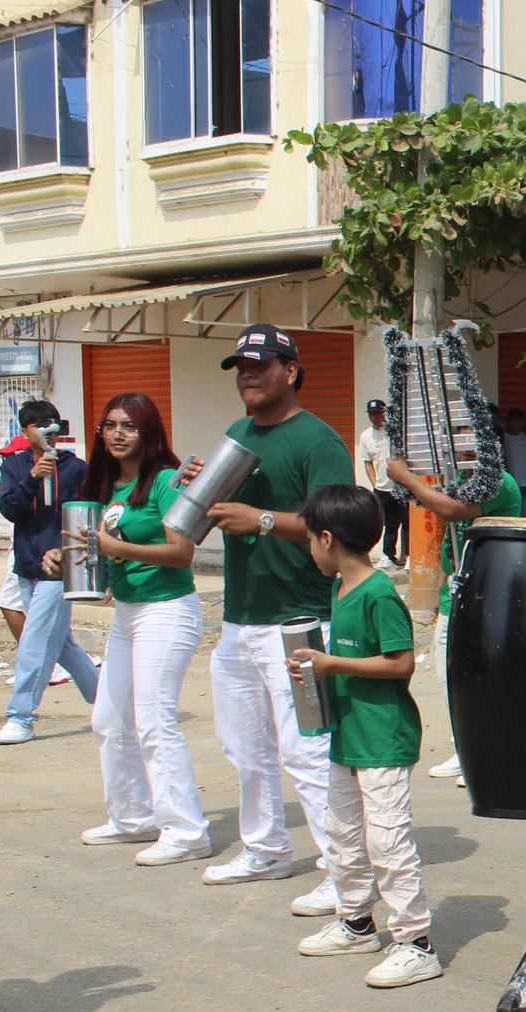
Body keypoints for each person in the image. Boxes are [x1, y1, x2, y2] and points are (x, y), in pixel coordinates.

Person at [196, 325, 355, 903]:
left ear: (290, 371)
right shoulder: (237, 434)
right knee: (245, 746)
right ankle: (265, 850)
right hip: (240, 616)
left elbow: (341, 525)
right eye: (241, 367)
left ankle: (344, 873)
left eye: (260, 365)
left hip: (300, 618)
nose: (248, 375)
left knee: (307, 750)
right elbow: (207, 518)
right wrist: (203, 491)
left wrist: (260, 519)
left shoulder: (317, 440)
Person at [40, 395, 210, 864]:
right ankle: (133, 818)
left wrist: (116, 548)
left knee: (154, 721)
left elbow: (182, 552)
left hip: (167, 610)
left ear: (148, 431)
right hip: (129, 613)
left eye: (129, 426)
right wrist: (61, 559)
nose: (118, 434)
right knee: (109, 720)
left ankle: (187, 832)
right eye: (110, 425)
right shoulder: (107, 486)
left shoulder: (165, 482)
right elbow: (95, 550)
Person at [286, 485, 441, 988]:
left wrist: (332, 664)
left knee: (387, 840)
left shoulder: (378, 593)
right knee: (343, 834)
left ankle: (416, 943)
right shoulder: (340, 588)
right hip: (347, 735)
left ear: (327, 538)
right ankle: (356, 922)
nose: (310, 549)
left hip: (382, 738)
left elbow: (401, 663)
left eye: (310, 539)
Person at [383, 442, 523, 785]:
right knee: (449, 678)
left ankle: (481, 753)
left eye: (467, 438)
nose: (461, 448)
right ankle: (468, 748)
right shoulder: (461, 478)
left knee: (478, 676)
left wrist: (407, 477)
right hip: (455, 595)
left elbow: (453, 511)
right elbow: (450, 536)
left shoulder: (496, 480)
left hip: (487, 594)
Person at [0, 400, 98, 744]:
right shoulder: (14, 466)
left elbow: (88, 516)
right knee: (61, 643)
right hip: (28, 567)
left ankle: (21, 716)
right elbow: (10, 510)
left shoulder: (77, 468)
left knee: (35, 639)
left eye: (53, 424)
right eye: (38, 425)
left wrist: (80, 560)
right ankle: (109, 701)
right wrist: (32, 478)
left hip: (61, 569)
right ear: (26, 431)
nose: (47, 431)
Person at [357, 399, 401, 566]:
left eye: (378, 413)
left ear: (385, 414)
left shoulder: (394, 431)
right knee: (388, 522)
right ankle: (389, 556)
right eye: (371, 414)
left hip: (401, 485)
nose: (374, 417)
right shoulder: (365, 436)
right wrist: (375, 483)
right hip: (382, 488)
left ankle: (408, 555)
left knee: (406, 521)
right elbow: (367, 462)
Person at [499, 407, 526, 512]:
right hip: (514, 482)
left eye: (519, 421)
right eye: (514, 421)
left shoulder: (525, 437)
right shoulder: (505, 437)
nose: (517, 424)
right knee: (524, 511)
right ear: (509, 421)